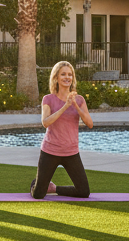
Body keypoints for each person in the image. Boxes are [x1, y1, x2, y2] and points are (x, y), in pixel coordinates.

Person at [32, 60, 93, 199]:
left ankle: (53, 188)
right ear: (56, 78)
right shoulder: (48, 99)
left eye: (70, 74)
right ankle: (37, 183)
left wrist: (75, 106)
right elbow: (45, 122)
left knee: (84, 192)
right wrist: (65, 106)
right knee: (38, 194)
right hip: (50, 150)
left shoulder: (79, 100)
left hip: (71, 152)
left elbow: (90, 124)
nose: (67, 77)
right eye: (63, 74)